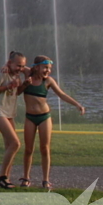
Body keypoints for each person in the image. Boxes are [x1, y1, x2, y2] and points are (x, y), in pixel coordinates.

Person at [19, 56, 85, 190]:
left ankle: (45, 179)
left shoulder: (48, 81)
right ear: (36, 67)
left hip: (44, 117)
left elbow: (62, 94)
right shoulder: (27, 73)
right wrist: (6, 67)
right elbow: (15, 66)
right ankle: (26, 177)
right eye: (45, 68)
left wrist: (77, 104)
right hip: (30, 117)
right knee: (28, 149)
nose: (48, 71)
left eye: (49, 68)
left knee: (45, 148)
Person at [0, 51, 28, 189]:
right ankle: (2, 177)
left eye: (23, 66)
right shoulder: (2, 73)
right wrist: (7, 86)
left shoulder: (17, 74)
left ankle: (6, 179)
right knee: (16, 144)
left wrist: (24, 84)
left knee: (9, 146)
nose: (21, 68)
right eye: (18, 65)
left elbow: (17, 92)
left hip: (9, 113)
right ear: (10, 63)